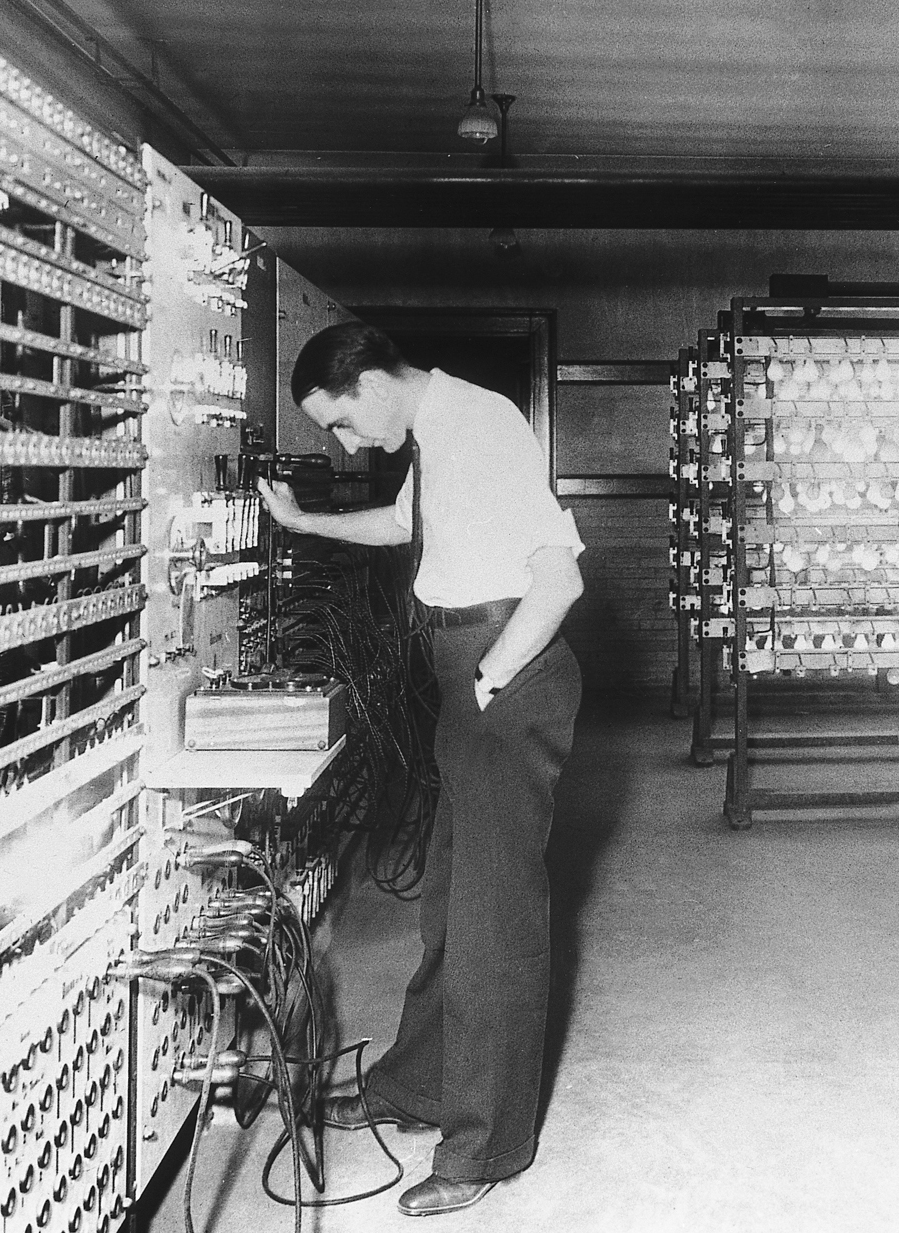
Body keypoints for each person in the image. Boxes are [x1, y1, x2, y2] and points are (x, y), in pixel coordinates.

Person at [257, 322, 584, 1215]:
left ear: (369, 380)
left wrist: (489, 677)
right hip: (468, 668)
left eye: (345, 423)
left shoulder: (481, 423)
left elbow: (558, 578)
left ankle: (486, 1147)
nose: (347, 443)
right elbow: (403, 521)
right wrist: (304, 520)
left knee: (494, 922)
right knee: (448, 899)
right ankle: (418, 1086)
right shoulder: (435, 434)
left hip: (503, 665)